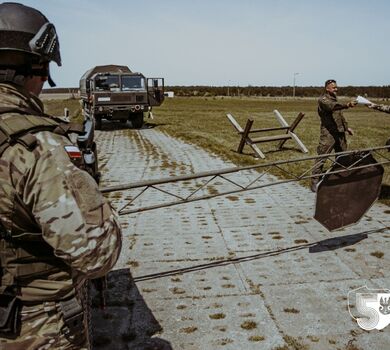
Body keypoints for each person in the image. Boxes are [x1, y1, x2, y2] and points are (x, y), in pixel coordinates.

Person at [0, 3, 122, 349]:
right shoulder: (36, 147)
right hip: (29, 326)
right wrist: (101, 209)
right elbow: (96, 253)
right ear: (35, 66)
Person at [311, 79, 357, 192]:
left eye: (336, 87)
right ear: (327, 88)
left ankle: (340, 178)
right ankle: (314, 181)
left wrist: (347, 128)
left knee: (342, 157)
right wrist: (347, 105)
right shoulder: (323, 100)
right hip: (328, 133)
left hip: (339, 131)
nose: (336, 89)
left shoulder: (335, 99)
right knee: (322, 157)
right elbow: (333, 107)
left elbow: (340, 116)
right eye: (333, 87)